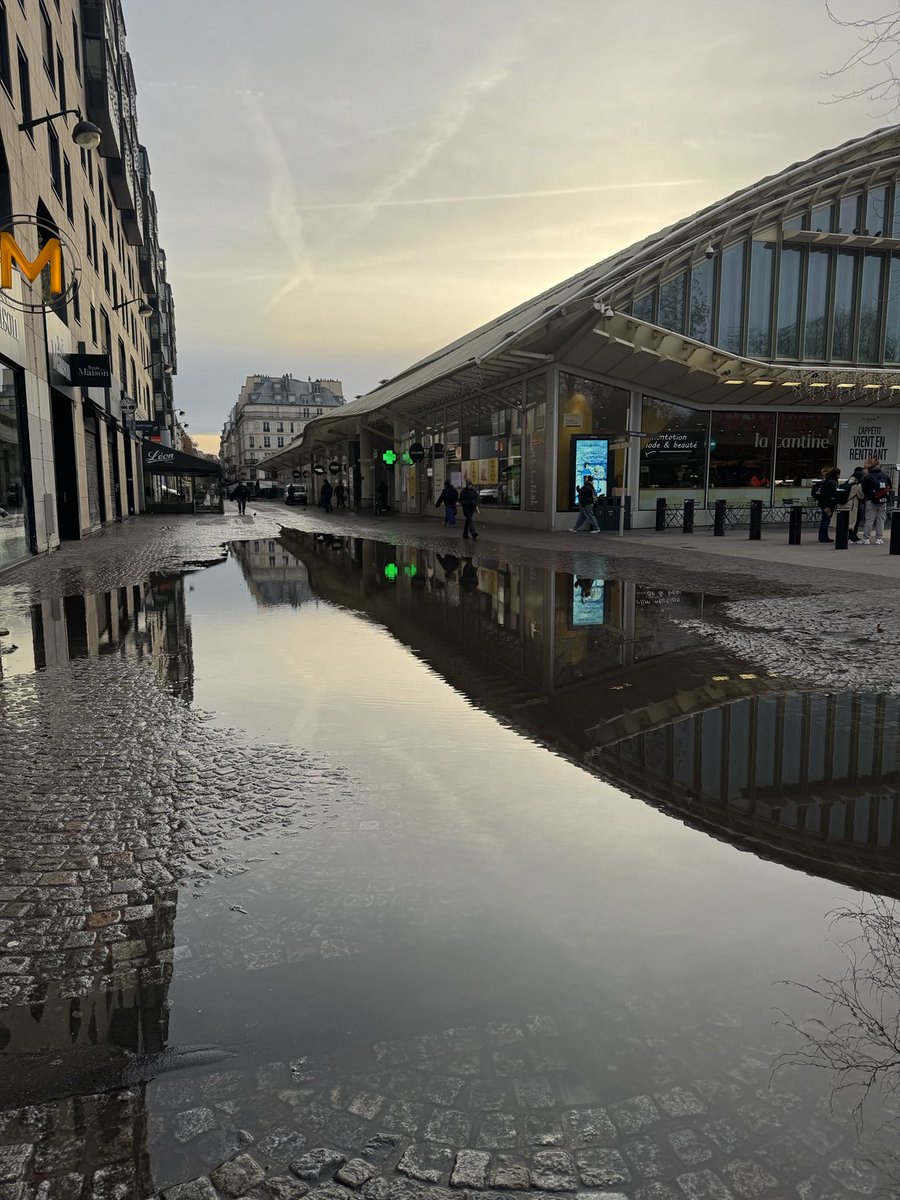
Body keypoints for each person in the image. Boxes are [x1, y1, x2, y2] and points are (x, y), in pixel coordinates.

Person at [861, 458, 893, 545]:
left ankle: (866, 538)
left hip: (871, 500)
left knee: (869, 520)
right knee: (881, 520)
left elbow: (864, 489)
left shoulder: (868, 477)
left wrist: (869, 496)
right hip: (883, 500)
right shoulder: (884, 476)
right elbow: (890, 486)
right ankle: (879, 538)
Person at [835, 467, 864, 543]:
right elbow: (861, 495)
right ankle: (851, 537)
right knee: (852, 522)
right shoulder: (857, 485)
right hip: (852, 505)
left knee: (844, 522)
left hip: (843, 505)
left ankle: (844, 537)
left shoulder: (846, 483)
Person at [816, 467, 841, 543]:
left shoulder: (826, 481)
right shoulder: (832, 483)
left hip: (823, 503)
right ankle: (824, 537)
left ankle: (822, 536)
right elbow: (831, 495)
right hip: (827, 504)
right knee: (826, 520)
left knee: (824, 520)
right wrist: (831, 504)